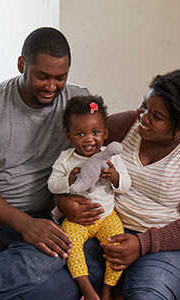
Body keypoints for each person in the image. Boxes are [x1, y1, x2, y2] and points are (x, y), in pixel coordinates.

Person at [54, 57, 180, 300]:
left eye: (157, 117)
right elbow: (73, 164)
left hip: (171, 245)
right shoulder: (121, 126)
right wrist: (61, 200)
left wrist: (143, 244)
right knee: (52, 282)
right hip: (105, 229)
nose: (143, 117)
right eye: (144, 105)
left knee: (146, 294)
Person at [0, 27, 101, 299]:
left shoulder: (78, 104)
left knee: (58, 254)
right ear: (21, 65)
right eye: (43, 76)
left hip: (34, 212)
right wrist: (25, 225)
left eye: (60, 77)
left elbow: (94, 151)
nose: (52, 86)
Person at [48, 95, 131, 300]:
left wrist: (114, 176)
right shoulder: (66, 159)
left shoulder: (111, 157)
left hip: (106, 217)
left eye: (95, 132)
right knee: (70, 244)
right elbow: (52, 185)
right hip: (77, 221)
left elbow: (126, 185)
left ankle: (108, 288)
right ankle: (86, 287)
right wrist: (68, 180)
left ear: (105, 133)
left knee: (117, 246)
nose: (89, 139)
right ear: (69, 136)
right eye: (80, 134)